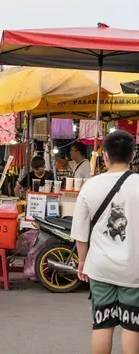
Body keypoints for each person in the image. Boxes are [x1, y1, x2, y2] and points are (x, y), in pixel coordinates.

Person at [71, 130, 139, 354]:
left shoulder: (90, 186)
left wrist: (82, 262)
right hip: (133, 268)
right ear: (132, 155)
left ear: (105, 156)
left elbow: (81, 233)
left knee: (102, 322)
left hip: (100, 267)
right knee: (132, 325)